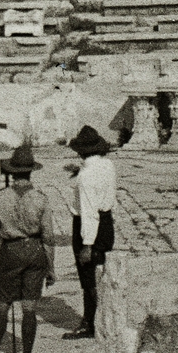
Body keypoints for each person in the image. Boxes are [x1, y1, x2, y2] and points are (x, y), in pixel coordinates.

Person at [0, 142, 59, 353]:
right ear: (31, 172)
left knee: (3, 305)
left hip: (11, 252)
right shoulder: (41, 199)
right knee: (29, 307)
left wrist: (8, 231)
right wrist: (51, 268)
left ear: (11, 172)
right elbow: (48, 237)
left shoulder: (0, 197)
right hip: (34, 251)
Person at [62, 125, 117, 341]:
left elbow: (88, 212)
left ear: (81, 151)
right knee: (99, 275)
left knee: (89, 278)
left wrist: (87, 244)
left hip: (89, 228)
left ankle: (93, 323)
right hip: (106, 224)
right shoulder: (107, 165)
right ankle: (93, 319)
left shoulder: (86, 176)